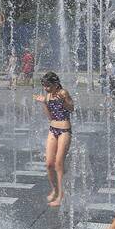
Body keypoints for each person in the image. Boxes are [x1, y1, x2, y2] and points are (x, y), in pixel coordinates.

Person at [33, 71, 73, 207]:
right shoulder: (48, 95)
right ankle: (55, 190)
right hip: (53, 129)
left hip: (64, 130)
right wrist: (44, 103)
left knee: (58, 163)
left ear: (56, 84)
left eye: (48, 86)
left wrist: (63, 100)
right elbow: (50, 117)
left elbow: (71, 108)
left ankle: (61, 195)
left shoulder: (63, 93)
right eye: (44, 86)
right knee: (49, 164)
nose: (46, 88)